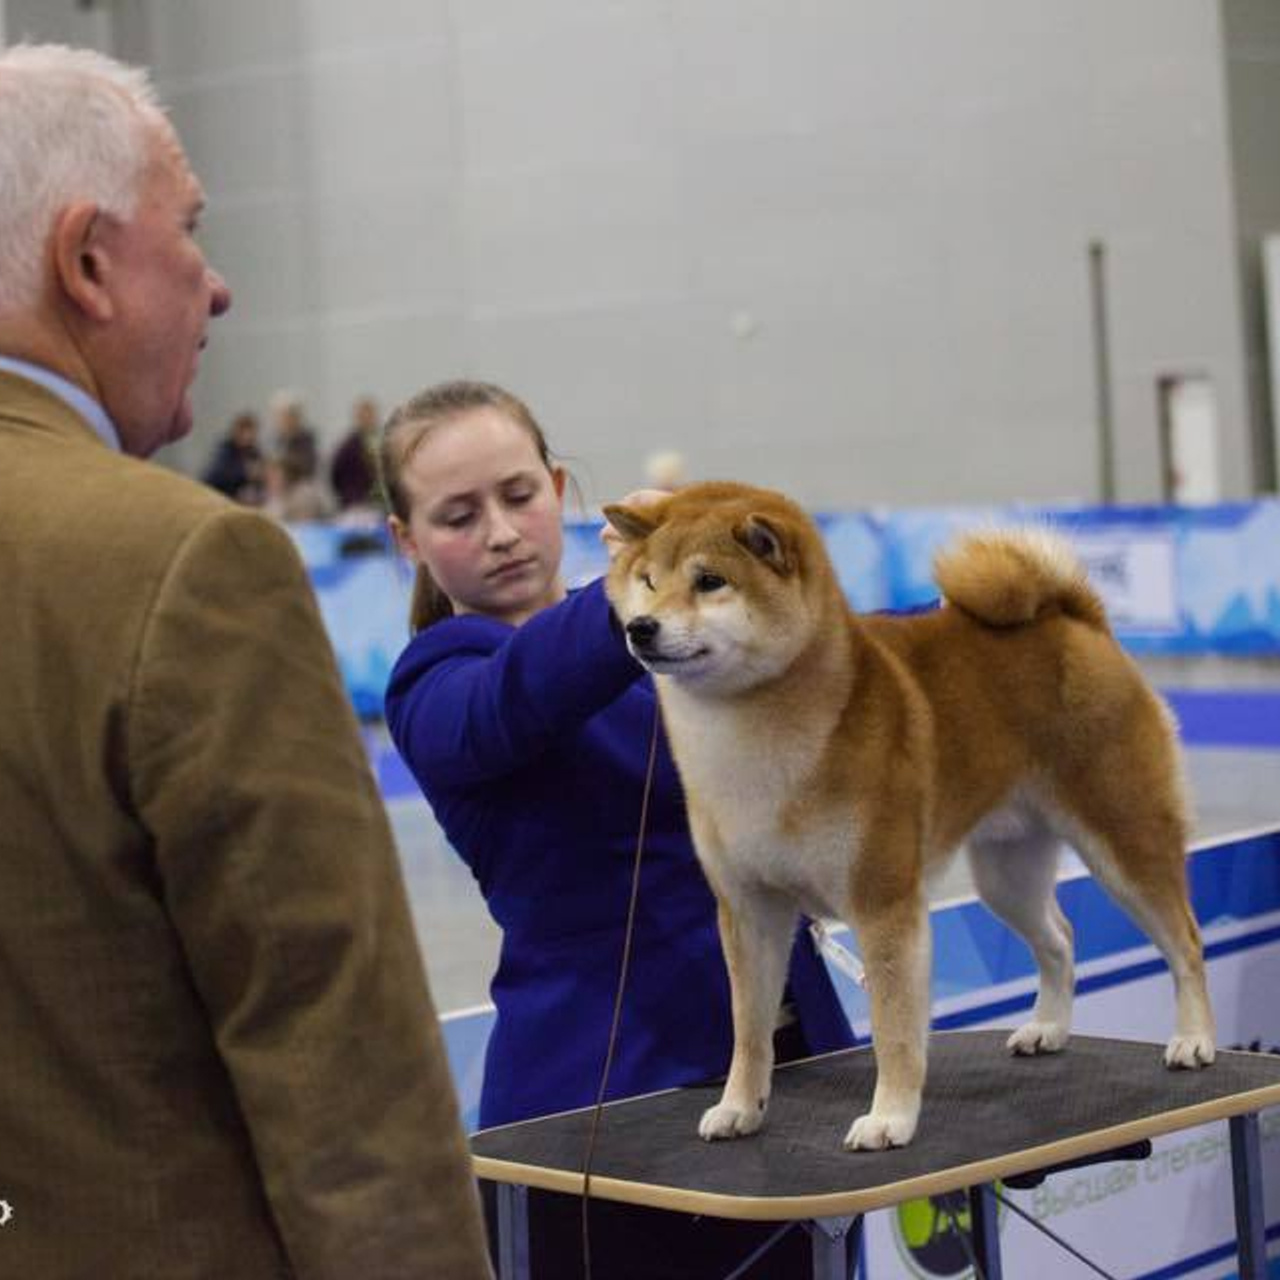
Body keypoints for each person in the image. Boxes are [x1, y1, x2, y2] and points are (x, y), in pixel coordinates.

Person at [0, 44, 490, 1280]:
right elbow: (347, 1080)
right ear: (88, 262)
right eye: (192, 233)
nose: (217, 288)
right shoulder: (184, 567)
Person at [379, 379, 857, 1278]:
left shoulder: (691, 640)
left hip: (792, 1076)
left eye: (519, 495)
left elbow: (840, 678)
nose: (501, 531)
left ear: (559, 490)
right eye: (457, 515)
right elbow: (511, 702)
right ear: (407, 541)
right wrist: (641, 592)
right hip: (603, 1120)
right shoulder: (437, 680)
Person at [201, 408, 265, 503]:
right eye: (246, 432)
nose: (249, 436)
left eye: (252, 432)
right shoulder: (224, 449)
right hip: (218, 496)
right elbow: (218, 474)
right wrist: (245, 472)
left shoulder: (254, 451)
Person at [331, 392, 381, 510]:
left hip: (380, 503)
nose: (367, 418)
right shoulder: (347, 446)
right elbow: (336, 473)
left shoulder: (384, 440)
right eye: (362, 414)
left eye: (369, 413)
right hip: (355, 502)